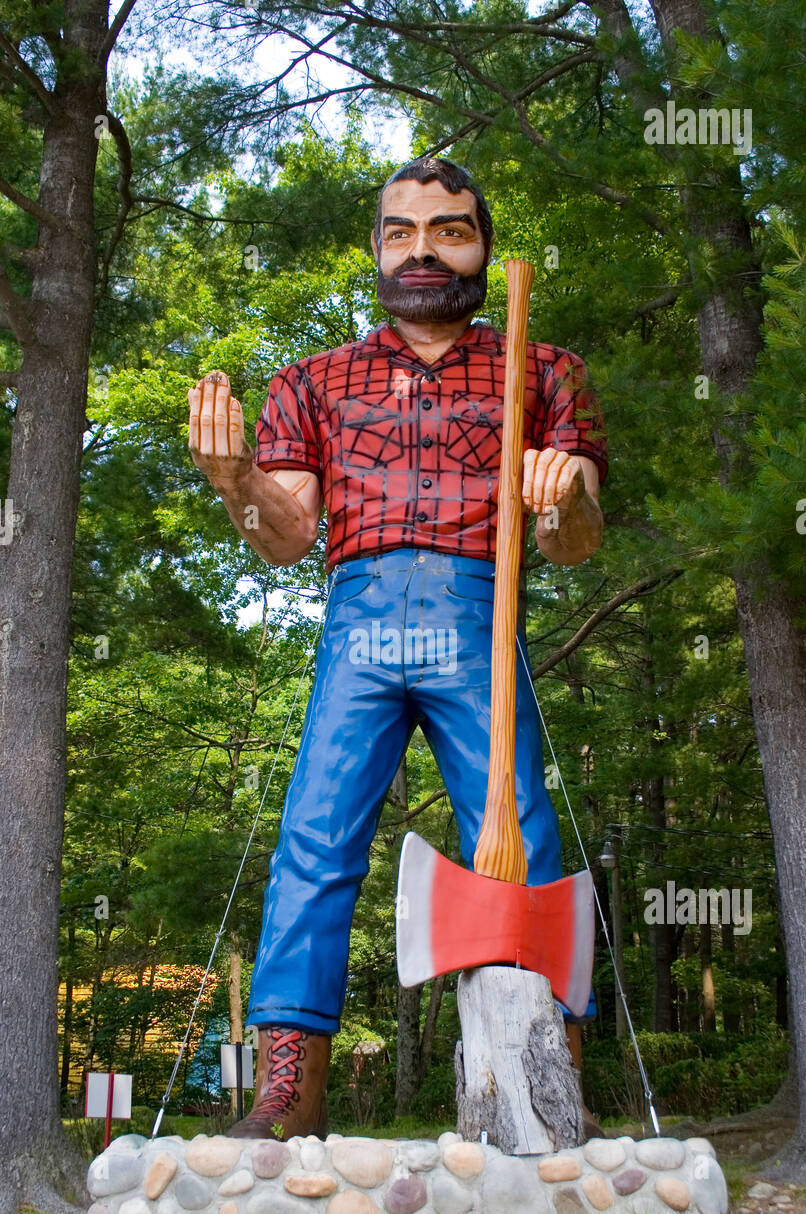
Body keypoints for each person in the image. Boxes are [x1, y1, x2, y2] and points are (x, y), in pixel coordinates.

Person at [188, 157, 607, 1141]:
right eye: (399, 231)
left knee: (520, 832)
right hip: (360, 614)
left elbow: (573, 540)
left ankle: (540, 1078)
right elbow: (286, 532)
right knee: (314, 837)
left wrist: (565, 499)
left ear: (483, 246)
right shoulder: (310, 382)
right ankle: (287, 1087)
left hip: (476, 604)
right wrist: (234, 479)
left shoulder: (541, 372)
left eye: (447, 229)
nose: (422, 249)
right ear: (375, 246)